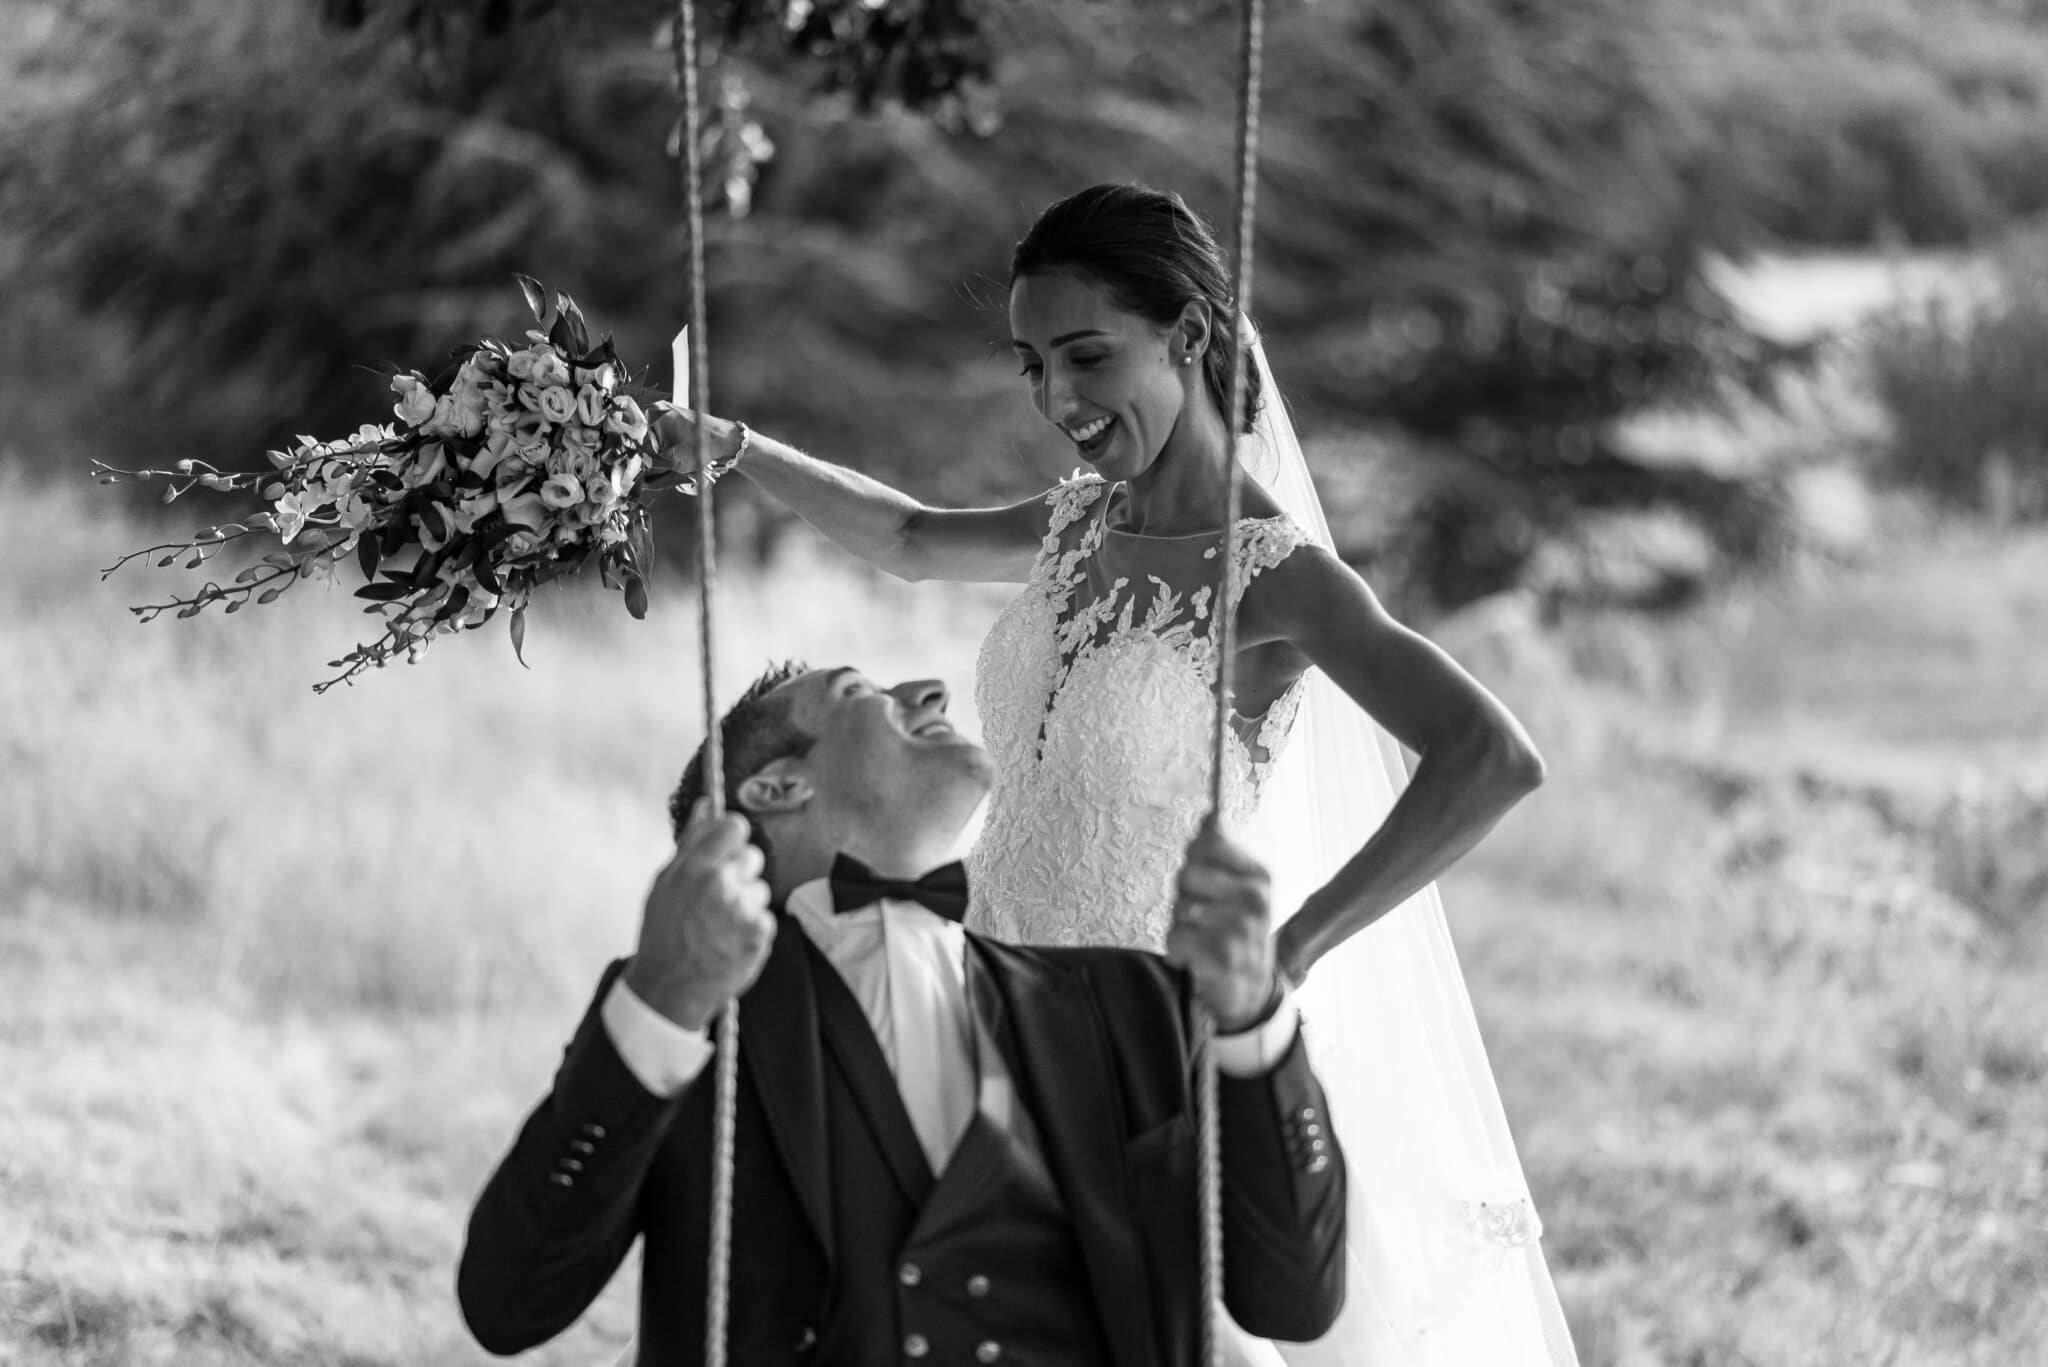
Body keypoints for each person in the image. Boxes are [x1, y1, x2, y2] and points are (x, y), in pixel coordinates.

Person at [651, 183, 1578, 1365]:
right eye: (1033, 364)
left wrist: (1287, 949)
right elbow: (907, 539)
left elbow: (1491, 756)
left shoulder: (1277, 579)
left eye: (1086, 355)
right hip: (987, 1013)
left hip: (1147, 1059)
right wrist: (731, 448)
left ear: (1186, 334)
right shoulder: (1077, 523)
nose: (1057, 400)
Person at [457, 663, 1350, 1366]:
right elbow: (508, 1304)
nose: (927, 691)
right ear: (773, 789)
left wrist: (1255, 1022)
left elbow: (1297, 1301)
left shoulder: (1136, 1001)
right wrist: (659, 1002)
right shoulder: (686, 1015)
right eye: (860, 694)